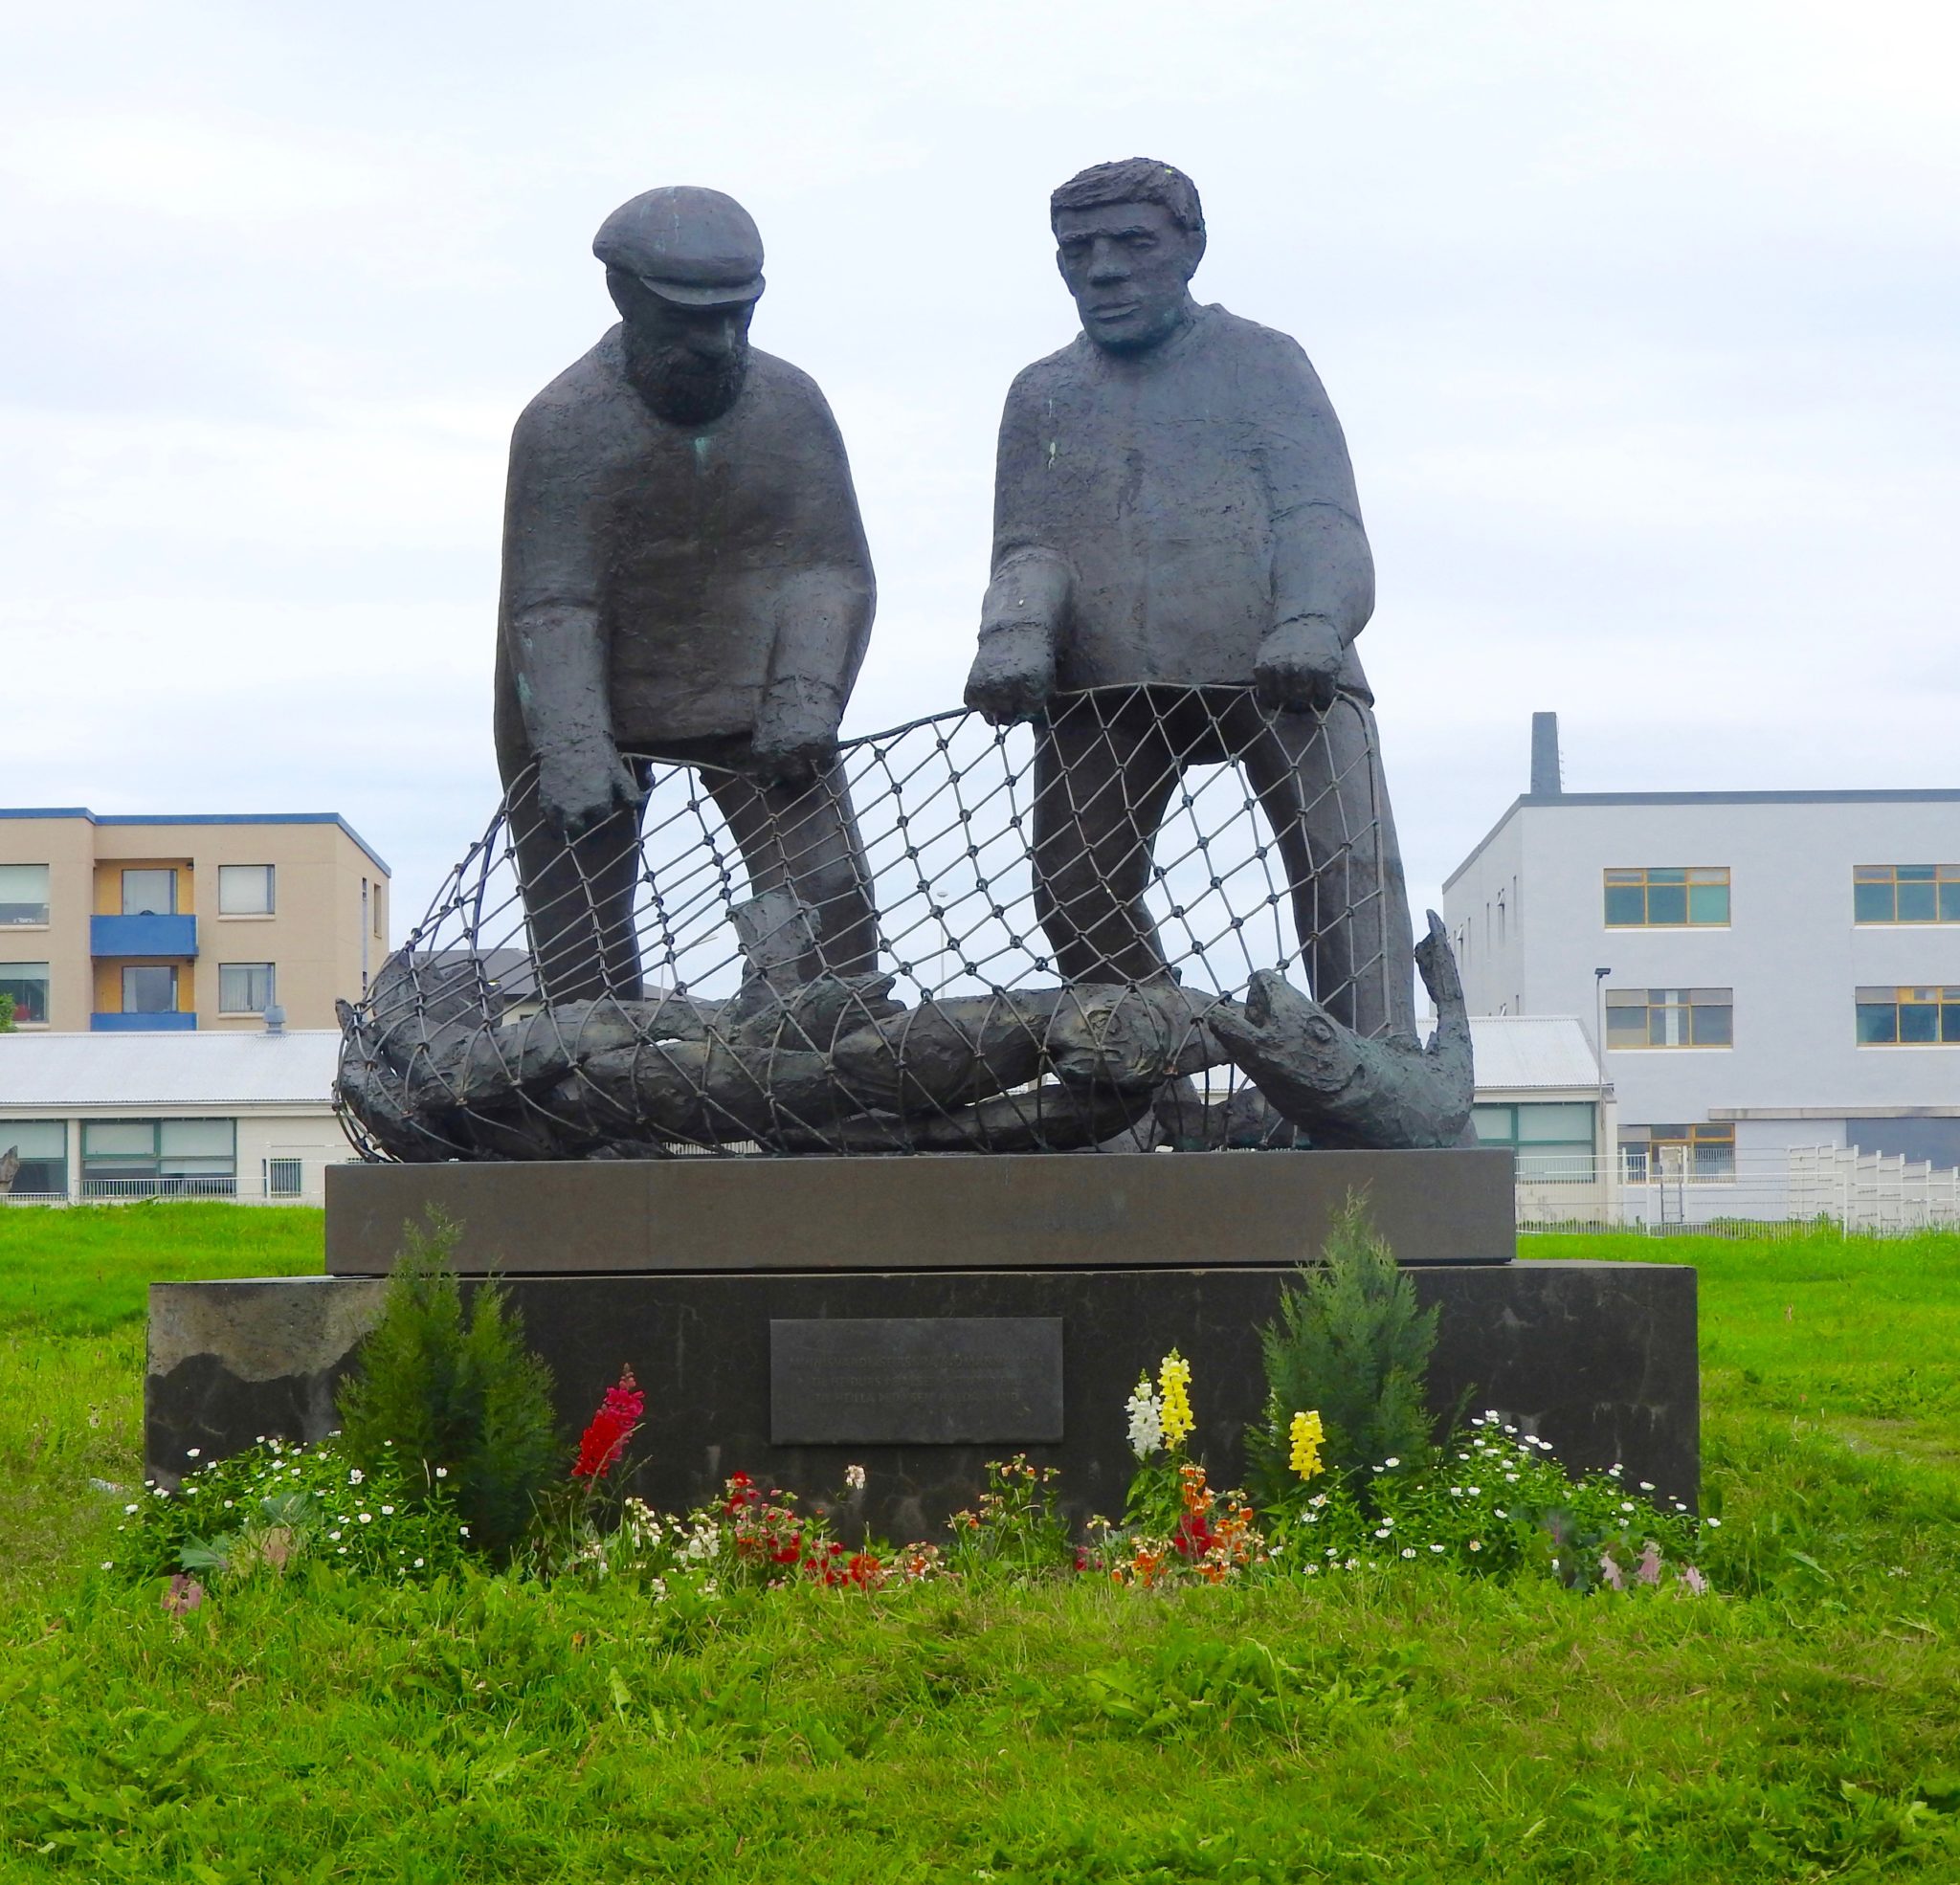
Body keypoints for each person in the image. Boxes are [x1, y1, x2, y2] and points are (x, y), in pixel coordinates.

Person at [965, 158, 1414, 1040]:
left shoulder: (1264, 362)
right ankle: (1160, 1056)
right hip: (1105, 681)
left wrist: (1314, 622)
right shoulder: (1043, 394)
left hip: (1283, 666)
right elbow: (1030, 548)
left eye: (1133, 243)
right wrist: (1012, 634)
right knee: (1074, 888)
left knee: (1347, 869)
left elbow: (1320, 514)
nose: (1103, 269)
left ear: (1190, 248)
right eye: (1077, 249)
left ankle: (1375, 1069)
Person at [493, 186, 879, 1001]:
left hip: (756, 688)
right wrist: (571, 745)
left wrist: (807, 693)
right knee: (580, 936)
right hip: (584, 693)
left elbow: (831, 568)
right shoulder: (563, 422)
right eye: (690, 318)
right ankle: (597, 1099)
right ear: (625, 296)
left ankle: (818, 1081)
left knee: (830, 902)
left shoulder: (793, 405)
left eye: (738, 314)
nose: (720, 339)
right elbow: (552, 602)